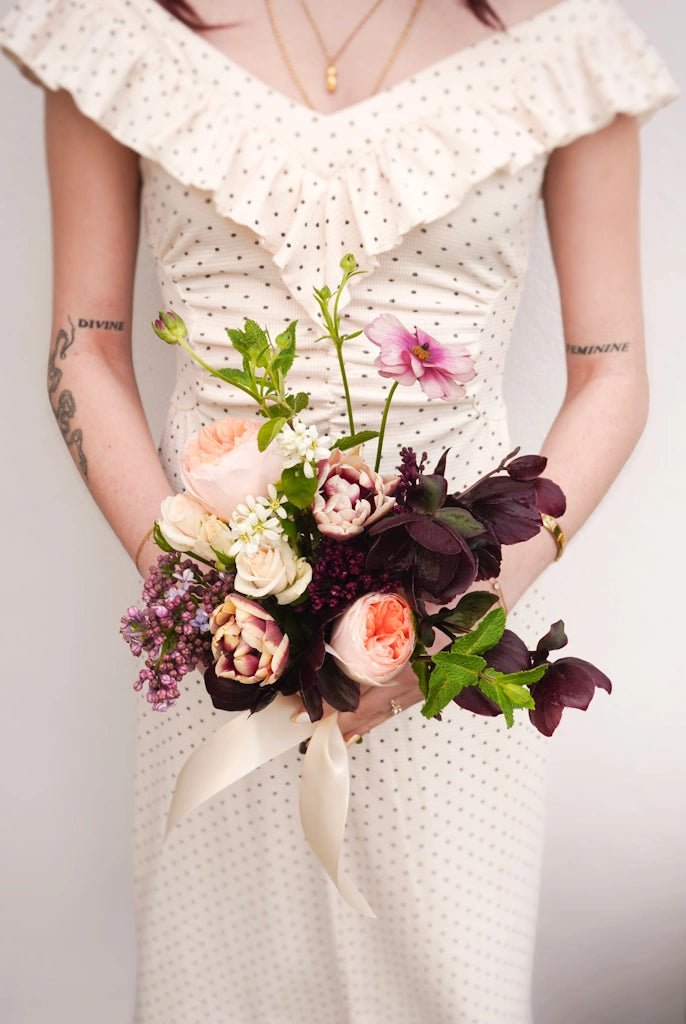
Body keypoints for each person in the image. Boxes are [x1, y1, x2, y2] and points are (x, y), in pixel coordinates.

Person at [0, 0, 677, 1021]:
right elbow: (83, 349)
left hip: (456, 643)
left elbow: (611, 379)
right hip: (219, 654)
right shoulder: (118, 26)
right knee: (215, 986)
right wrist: (201, 599)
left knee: (445, 980)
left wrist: (461, 618)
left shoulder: (561, 37)